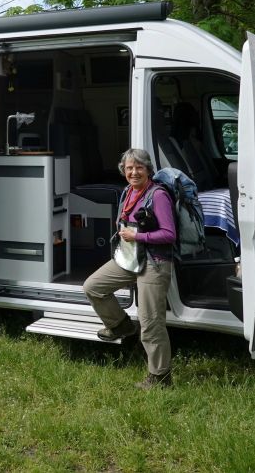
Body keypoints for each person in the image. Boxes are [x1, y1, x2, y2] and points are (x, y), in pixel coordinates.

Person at [83, 148, 177, 388]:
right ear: (123, 171)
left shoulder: (158, 195)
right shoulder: (127, 192)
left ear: (148, 170)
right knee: (93, 286)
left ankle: (160, 377)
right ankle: (121, 325)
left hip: (154, 262)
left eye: (139, 168)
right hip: (130, 258)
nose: (134, 172)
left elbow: (169, 234)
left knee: (151, 322)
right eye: (129, 168)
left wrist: (138, 235)